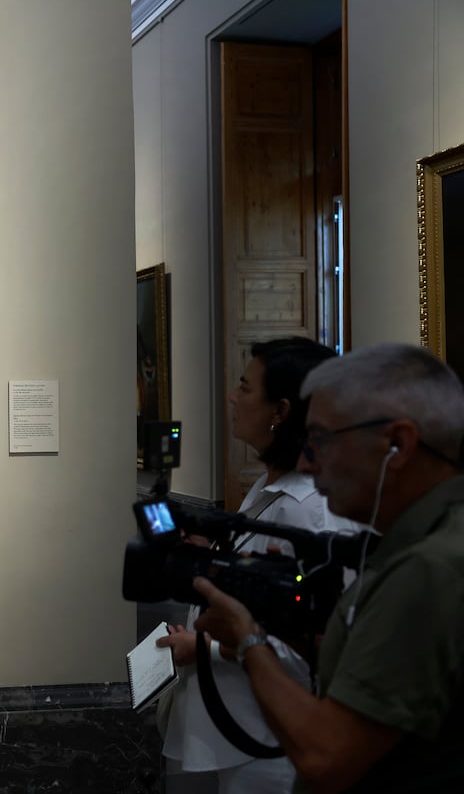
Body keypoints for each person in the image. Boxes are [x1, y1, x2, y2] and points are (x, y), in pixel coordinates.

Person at [193, 343, 464, 792]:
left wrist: (248, 639)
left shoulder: (429, 568)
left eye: (321, 441)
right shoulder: (417, 543)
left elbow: (327, 756)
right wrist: (290, 629)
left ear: (397, 445)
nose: (305, 461)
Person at [157, 337, 363, 794]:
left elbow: (317, 648)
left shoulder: (313, 514)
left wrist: (204, 647)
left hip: (265, 740)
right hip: (230, 727)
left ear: (281, 411)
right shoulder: (269, 487)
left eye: (246, 388)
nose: (233, 396)